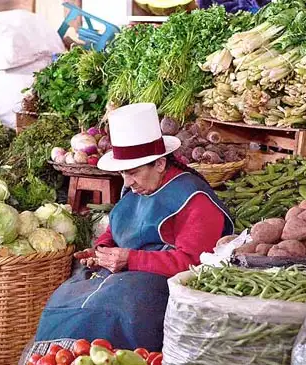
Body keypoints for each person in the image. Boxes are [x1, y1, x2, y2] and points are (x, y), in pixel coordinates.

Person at [34, 103, 234, 351]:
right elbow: (118, 227)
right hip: (123, 274)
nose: (127, 182)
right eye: (123, 174)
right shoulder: (139, 185)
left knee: (108, 310)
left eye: (133, 173)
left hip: (164, 283)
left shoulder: (194, 199)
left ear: (159, 164)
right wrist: (102, 250)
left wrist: (131, 259)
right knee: (63, 300)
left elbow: (195, 263)